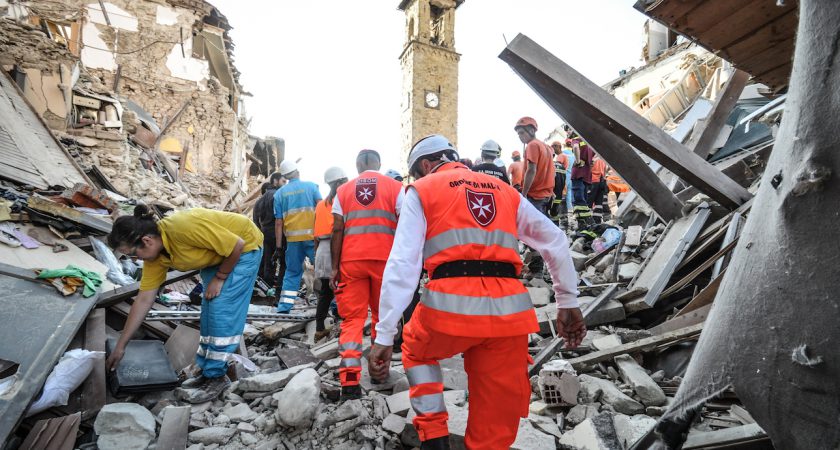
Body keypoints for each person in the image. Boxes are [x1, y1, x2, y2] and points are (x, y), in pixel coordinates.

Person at [368, 135, 585, 450]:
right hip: (508, 316)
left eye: (416, 173)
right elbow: (555, 241)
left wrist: (385, 335)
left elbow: (403, 265)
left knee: (416, 350)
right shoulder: (505, 190)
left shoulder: (423, 189)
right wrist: (568, 302)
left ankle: (434, 437)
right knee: (495, 419)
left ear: (426, 165)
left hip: (448, 310)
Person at [106, 205, 263, 403]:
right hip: (216, 256)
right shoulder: (156, 258)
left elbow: (236, 244)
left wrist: (221, 277)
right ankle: (206, 370)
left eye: (132, 254)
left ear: (146, 240)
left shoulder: (182, 227)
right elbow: (144, 298)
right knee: (208, 312)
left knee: (221, 311)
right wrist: (121, 345)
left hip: (243, 249)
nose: (135, 260)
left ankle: (217, 377)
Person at [331, 149, 404, 400]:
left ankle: (349, 381)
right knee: (383, 318)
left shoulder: (343, 191)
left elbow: (337, 229)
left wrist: (333, 267)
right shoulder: (395, 187)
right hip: (386, 262)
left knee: (351, 320)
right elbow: (406, 224)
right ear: (379, 164)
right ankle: (379, 373)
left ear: (357, 165)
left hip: (351, 262)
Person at [274, 160, 322, 313]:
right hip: (313, 238)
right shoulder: (311, 187)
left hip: (293, 241)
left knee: (292, 273)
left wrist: (279, 246)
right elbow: (322, 211)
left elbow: (279, 223)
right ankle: (335, 306)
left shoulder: (279, 194)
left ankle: (284, 307)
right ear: (297, 172)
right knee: (324, 272)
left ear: (285, 176)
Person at [313, 167, 348, 341]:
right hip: (335, 247)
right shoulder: (342, 200)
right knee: (340, 289)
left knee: (325, 292)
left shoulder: (321, 205)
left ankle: (320, 329)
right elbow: (339, 230)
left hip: (322, 249)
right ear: (339, 182)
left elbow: (315, 235)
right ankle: (344, 326)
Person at [514, 117, 555, 216]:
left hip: (536, 195)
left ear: (532, 131)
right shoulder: (546, 147)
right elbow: (552, 170)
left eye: (522, 133)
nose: (520, 136)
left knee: (534, 229)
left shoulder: (532, 145)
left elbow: (531, 170)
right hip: (546, 195)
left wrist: (523, 194)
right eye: (518, 134)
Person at [253, 173, 286, 285]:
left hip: (264, 234)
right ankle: (277, 291)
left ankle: (266, 287)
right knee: (283, 263)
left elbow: (255, 221)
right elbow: (281, 219)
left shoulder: (258, 201)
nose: (285, 184)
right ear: (275, 181)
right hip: (278, 234)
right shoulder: (278, 195)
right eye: (283, 181)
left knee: (267, 262)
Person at [570, 135, 595, 229]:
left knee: (578, 199)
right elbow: (593, 158)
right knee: (583, 199)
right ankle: (588, 223)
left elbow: (576, 147)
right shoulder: (589, 142)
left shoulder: (576, 140)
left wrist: (578, 161)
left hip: (578, 172)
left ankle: (582, 224)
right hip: (587, 174)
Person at [550, 141, 569, 227]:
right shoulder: (564, 156)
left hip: (559, 184)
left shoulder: (560, 157)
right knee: (561, 203)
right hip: (562, 183)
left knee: (558, 204)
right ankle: (564, 223)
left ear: (558, 146)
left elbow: (556, 172)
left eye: (553, 147)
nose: (553, 149)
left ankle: (560, 223)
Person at [588, 153, 608, 224]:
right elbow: (605, 170)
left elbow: (589, 170)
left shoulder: (592, 159)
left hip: (593, 181)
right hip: (601, 181)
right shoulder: (602, 158)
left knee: (589, 202)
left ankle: (588, 220)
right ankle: (597, 220)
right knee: (599, 202)